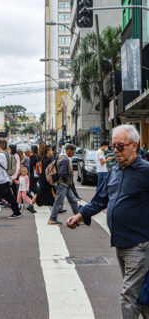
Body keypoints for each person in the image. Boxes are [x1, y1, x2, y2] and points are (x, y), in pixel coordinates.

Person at [67, 125, 149, 319]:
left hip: (140, 244)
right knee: (141, 295)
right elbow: (100, 199)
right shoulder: (114, 171)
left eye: (120, 146)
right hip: (120, 243)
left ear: (134, 145)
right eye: (113, 146)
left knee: (129, 296)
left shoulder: (146, 171)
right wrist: (80, 215)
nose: (115, 150)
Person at [48, 144, 79, 225]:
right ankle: (52, 218)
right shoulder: (64, 159)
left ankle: (78, 217)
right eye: (73, 151)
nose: (73, 153)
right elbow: (62, 172)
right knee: (58, 201)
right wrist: (67, 180)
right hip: (63, 184)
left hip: (65, 184)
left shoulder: (62, 157)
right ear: (68, 150)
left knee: (73, 200)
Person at [32, 143, 55, 208]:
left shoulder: (41, 158)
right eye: (51, 150)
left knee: (43, 192)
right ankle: (57, 206)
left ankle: (56, 205)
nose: (52, 151)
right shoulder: (46, 160)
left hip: (42, 178)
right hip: (46, 178)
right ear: (47, 151)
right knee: (41, 192)